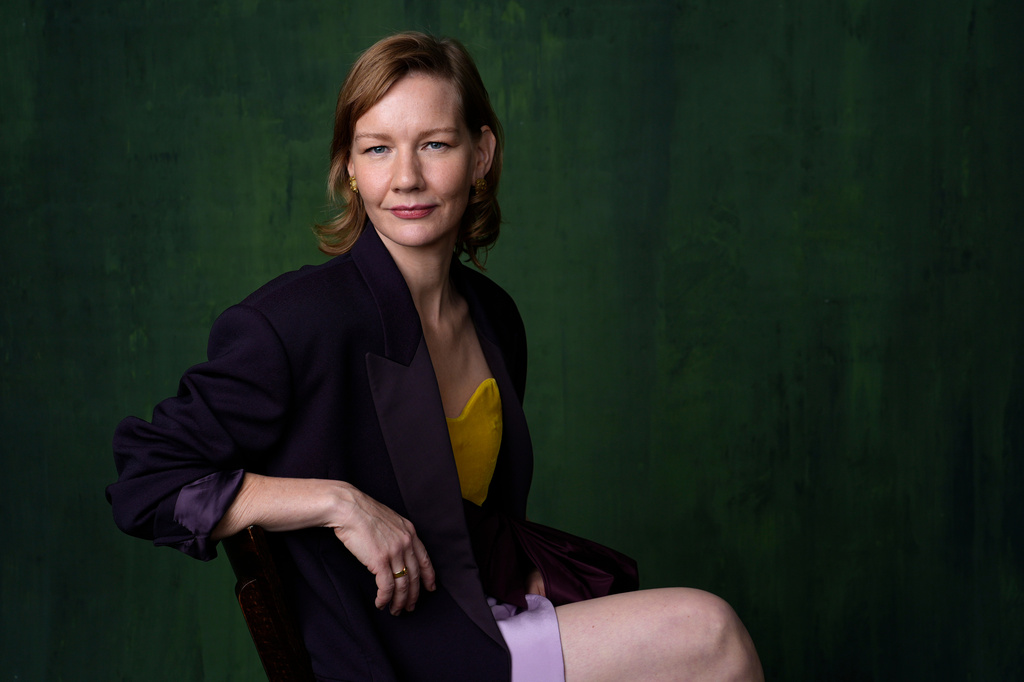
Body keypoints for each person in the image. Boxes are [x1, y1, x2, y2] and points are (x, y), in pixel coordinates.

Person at [107, 32, 763, 682]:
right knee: (709, 635)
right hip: (387, 651)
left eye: (436, 145)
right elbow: (147, 483)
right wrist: (339, 503)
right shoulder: (291, 322)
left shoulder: (495, 317)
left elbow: (464, 517)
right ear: (349, 170)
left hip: (486, 615)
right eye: (378, 149)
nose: (407, 177)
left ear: (481, 155)